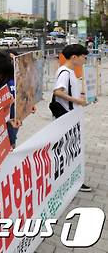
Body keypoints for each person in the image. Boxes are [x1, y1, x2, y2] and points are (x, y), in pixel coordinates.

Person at [51, 44, 92, 192]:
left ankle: (74, 179)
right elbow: (57, 92)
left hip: (71, 117)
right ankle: (67, 180)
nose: (85, 59)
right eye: (83, 56)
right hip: (66, 117)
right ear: (74, 57)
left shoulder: (70, 72)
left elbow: (66, 92)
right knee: (68, 150)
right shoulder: (65, 73)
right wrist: (77, 101)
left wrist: (78, 97)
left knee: (72, 149)